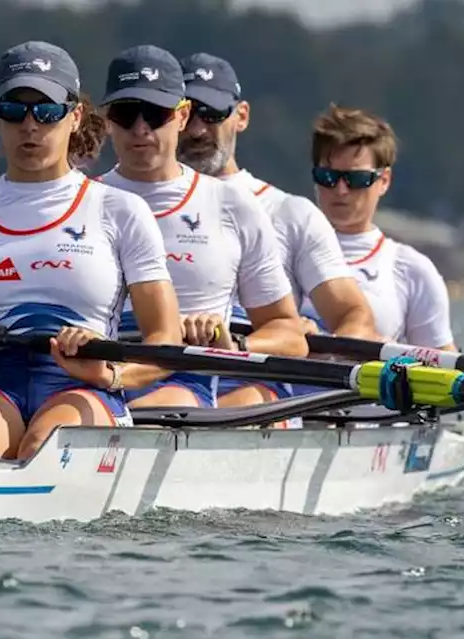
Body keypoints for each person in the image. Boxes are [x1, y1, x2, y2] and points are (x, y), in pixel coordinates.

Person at [0, 41, 183, 461]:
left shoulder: (120, 211)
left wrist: (110, 373)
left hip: (84, 383)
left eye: (46, 111)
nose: (30, 125)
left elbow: (165, 342)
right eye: (14, 109)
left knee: (47, 444)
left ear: (75, 117)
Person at [95, 44, 307, 409]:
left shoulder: (231, 206)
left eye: (155, 114)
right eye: (126, 114)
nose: (140, 129)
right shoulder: (83, 201)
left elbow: (290, 336)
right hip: (92, 376)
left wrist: (236, 345)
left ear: (182, 114)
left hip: (183, 380)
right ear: (107, 119)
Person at [176, 52, 380, 410]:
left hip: (251, 391)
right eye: (188, 113)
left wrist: (328, 347)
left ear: (241, 117)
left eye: (211, 114)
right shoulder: (131, 204)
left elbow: (354, 315)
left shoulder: (289, 213)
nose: (197, 129)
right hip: (153, 380)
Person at [309, 103, 456, 351]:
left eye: (356, 179)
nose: (341, 190)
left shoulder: (412, 271)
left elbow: (443, 367)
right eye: (328, 177)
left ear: (384, 181)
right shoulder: (280, 251)